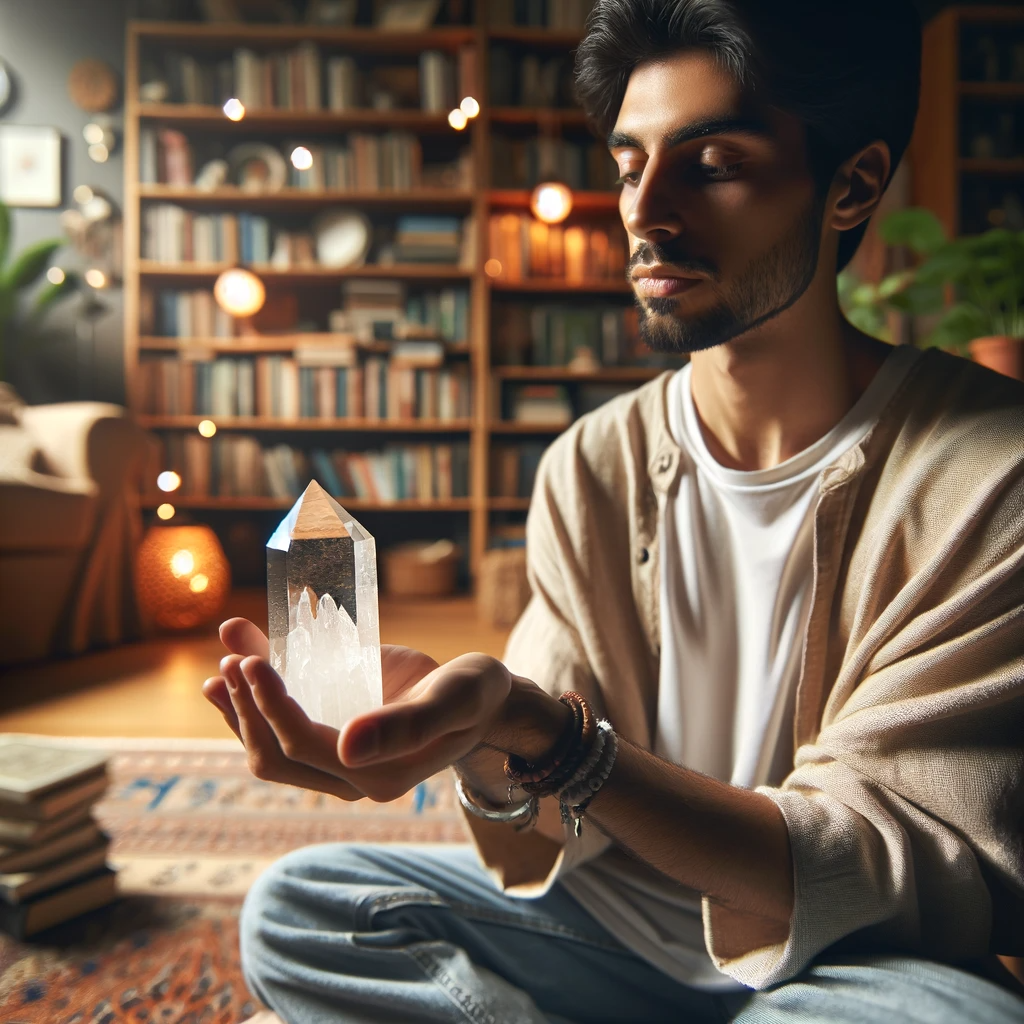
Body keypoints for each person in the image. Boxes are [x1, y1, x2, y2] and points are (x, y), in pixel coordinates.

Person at [202, 2, 1024, 1021]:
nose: (643, 213)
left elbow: (887, 858)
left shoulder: (993, 472)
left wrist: (547, 738)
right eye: (630, 165)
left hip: (840, 963)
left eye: (711, 163)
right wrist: (467, 735)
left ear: (850, 185)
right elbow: (543, 809)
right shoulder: (591, 461)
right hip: (611, 929)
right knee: (304, 906)